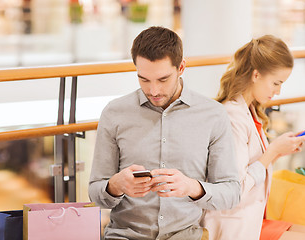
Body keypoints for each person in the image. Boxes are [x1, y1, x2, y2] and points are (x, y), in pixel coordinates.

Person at [89, 26, 241, 240]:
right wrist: (116, 185)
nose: (154, 91)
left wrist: (192, 187)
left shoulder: (213, 115)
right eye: (144, 79)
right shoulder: (114, 113)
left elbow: (232, 193)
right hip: (125, 235)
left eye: (163, 79)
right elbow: (95, 193)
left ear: (181, 67)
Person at [201, 35, 305, 240]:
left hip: (252, 217)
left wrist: (278, 152)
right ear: (256, 75)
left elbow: (252, 166)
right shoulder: (232, 117)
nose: (278, 91)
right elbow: (235, 189)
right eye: (276, 83)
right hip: (235, 224)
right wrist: (272, 150)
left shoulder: (250, 110)